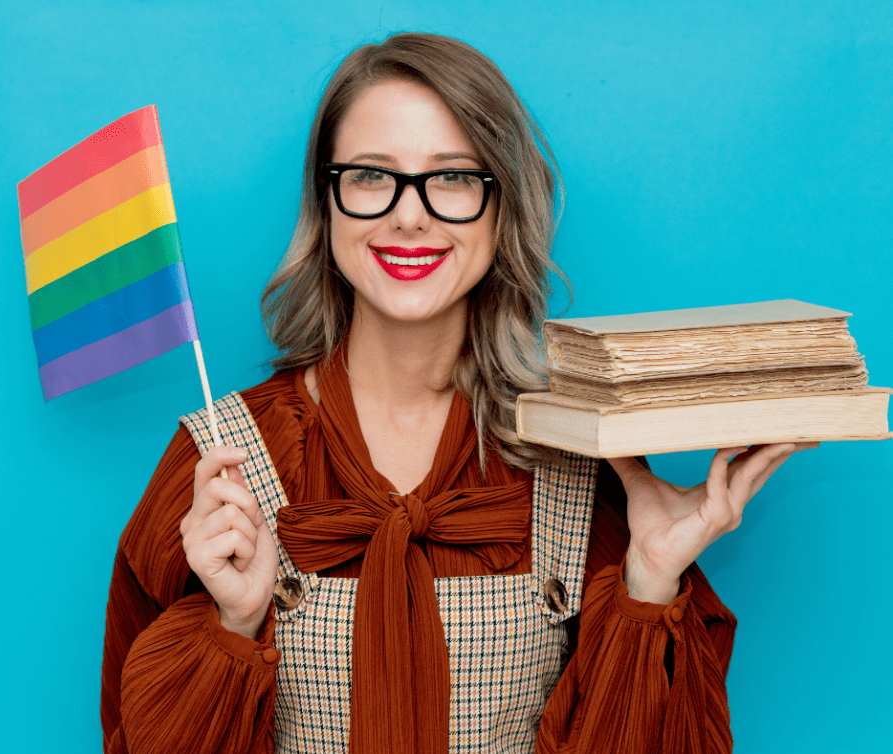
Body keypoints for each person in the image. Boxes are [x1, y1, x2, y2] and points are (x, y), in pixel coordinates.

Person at [101, 32, 814, 754]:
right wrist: (235, 627)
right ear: (328, 202)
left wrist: (649, 579)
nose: (409, 215)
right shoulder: (221, 464)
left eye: (452, 178)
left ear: (501, 210)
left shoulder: (575, 457)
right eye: (372, 176)